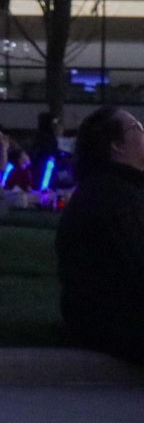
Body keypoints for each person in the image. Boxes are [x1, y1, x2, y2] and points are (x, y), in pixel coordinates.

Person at [55, 106, 144, 363]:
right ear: (116, 145)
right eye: (137, 127)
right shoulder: (115, 197)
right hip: (115, 319)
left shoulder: (114, 190)